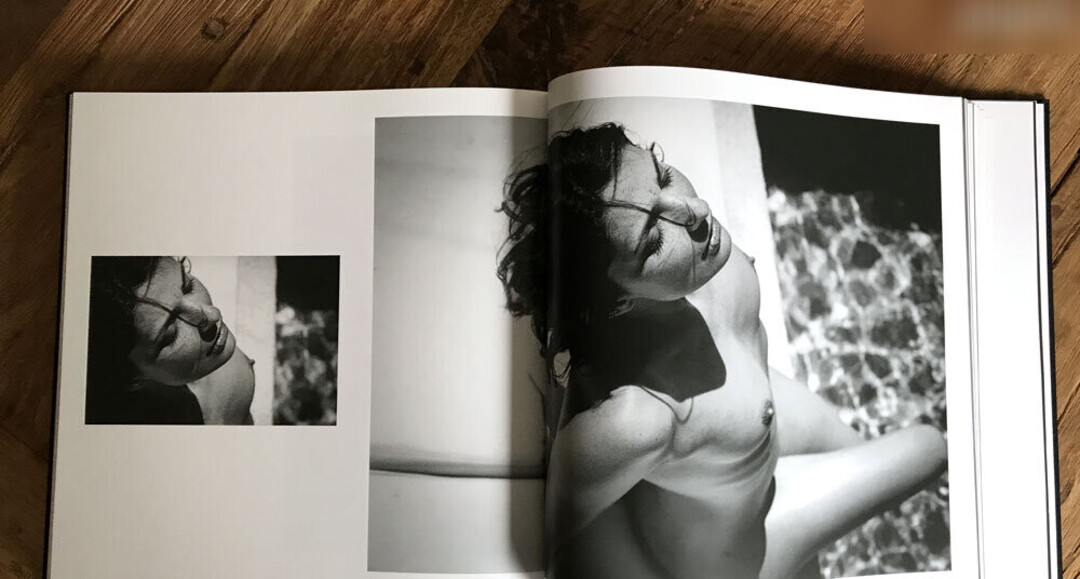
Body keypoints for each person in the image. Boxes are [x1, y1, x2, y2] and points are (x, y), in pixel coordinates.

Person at [497, 123, 948, 579]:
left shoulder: (698, 253)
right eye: (653, 239)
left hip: (754, 409)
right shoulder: (635, 419)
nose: (693, 211)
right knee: (928, 448)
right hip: (731, 552)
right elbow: (548, 538)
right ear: (618, 301)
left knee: (859, 449)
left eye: (662, 175)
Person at [86, 256, 255, 425]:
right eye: (171, 334)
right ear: (132, 379)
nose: (213, 314)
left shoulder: (218, 358)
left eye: (188, 286)